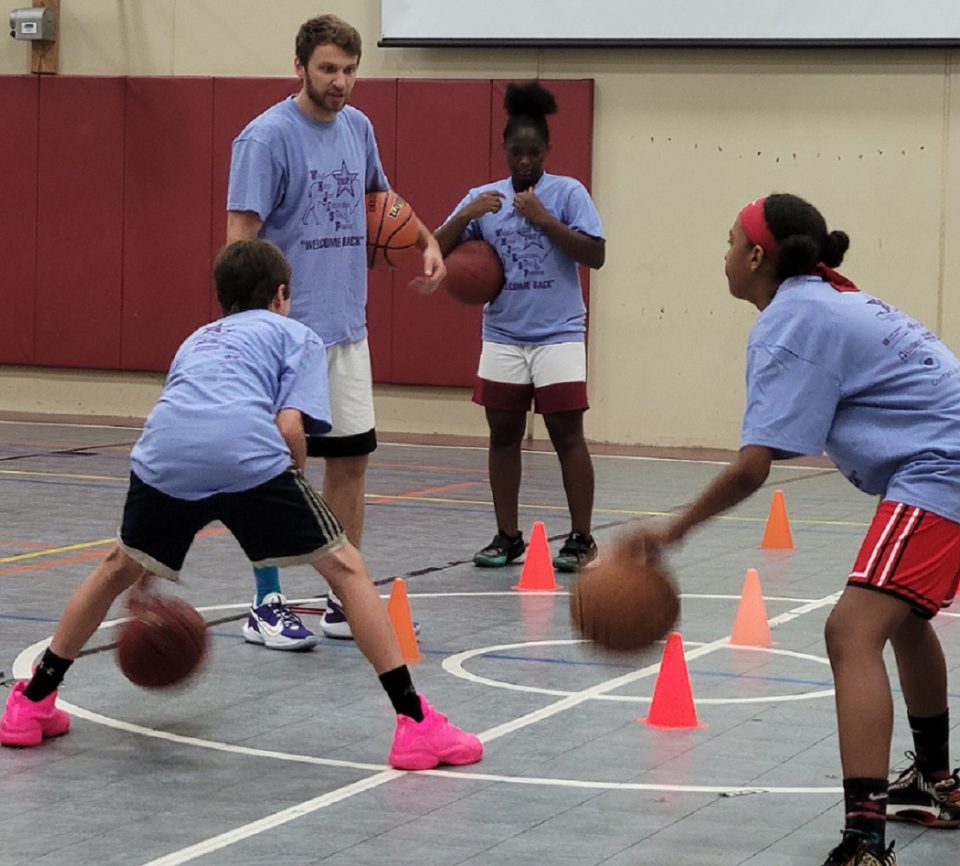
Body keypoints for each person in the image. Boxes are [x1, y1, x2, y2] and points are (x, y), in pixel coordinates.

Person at [619, 194, 960, 866]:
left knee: (850, 630)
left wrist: (674, 529)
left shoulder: (793, 317)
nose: (722, 252)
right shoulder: (822, 300)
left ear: (753, 256)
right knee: (904, 618)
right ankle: (935, 784)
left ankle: (865, 840)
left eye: (728, 238)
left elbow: (752, 469)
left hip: (945, 461)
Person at [0, 239, 482, 772]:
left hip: (163, 453)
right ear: (280, 295)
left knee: (117, 564)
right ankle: (416, 724)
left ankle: (31, 702)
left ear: (223, 300)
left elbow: (189, 413)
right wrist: (287, 484)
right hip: (246, 452)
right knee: (346, 570)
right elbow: (289, 426)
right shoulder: (297, 334)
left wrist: (147, 565)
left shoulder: (197, 339)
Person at [226, 14, 444, 647]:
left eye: (349, 71)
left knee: (350, 462)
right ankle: (265, 602)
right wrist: (246, 328)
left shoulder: (359, 128)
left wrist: (426, 241)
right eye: (328, 69)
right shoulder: (264, 139)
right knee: (271, 467)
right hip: (283, 333)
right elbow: (239, 241)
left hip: (348, 326)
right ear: (300, 67)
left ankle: (340, 599)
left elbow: (384, 202)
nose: (340, 82)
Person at [434, 81, 606, 574]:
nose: (525, 161)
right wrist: (465, 214)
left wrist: (546, 220)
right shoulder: (483, 198)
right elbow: (434, 248)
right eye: (517, 152)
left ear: (547, 151)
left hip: (559, 334)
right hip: (504, 335)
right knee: (502, 435)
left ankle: (581, 538)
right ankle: (508, 536)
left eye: (534, 152)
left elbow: (596, 254)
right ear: (505, 150)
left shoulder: (568, 192)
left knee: (566, 435)